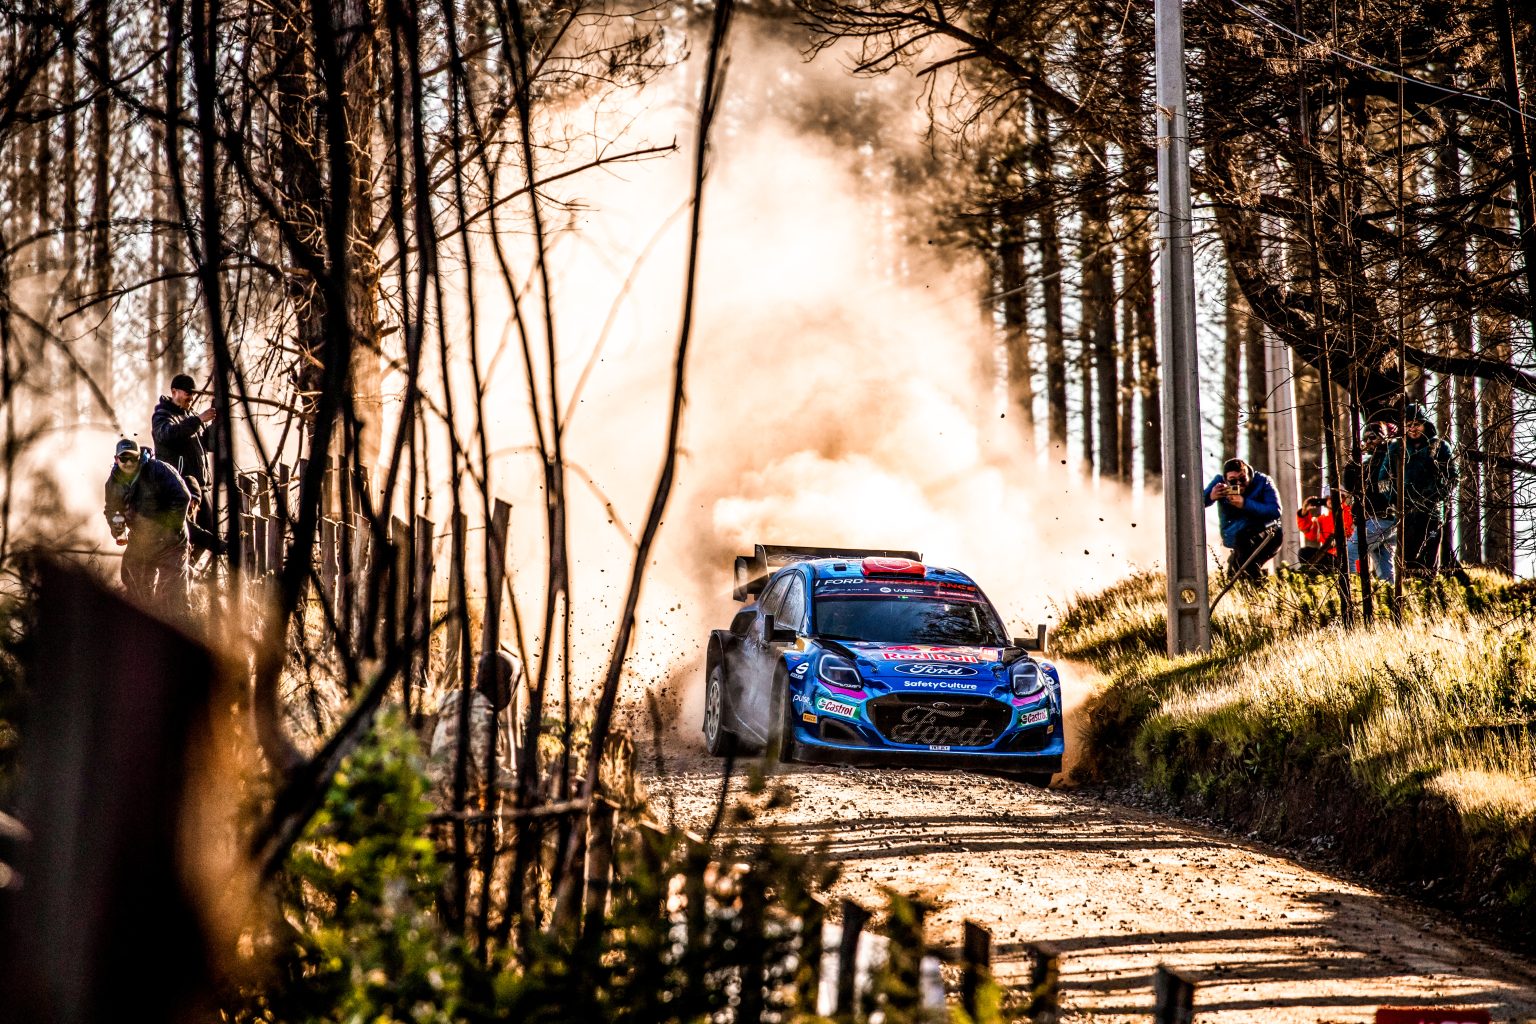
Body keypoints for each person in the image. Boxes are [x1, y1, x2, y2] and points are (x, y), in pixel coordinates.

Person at [103, 437, 192, 614]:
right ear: (116, 459)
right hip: (141, 541)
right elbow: (112, 510)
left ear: (139, 457)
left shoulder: (158, 470)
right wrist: (117, 527)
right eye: (124, 458)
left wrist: (168, 527)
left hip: (171, 543)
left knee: (172, 595)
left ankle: (182, 624)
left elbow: (183, 497)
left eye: (133, 458)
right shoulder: (113, 482)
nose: (128, 462)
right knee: (136, 591)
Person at [426, 648, 523, 807]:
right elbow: (488, 772)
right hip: (450, 804)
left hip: (432, 799)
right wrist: (524, 783)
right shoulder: (480, 712)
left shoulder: (459, 705)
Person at [1380, 406, 1458, 577]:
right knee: (1405, 558)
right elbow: (1382, 479)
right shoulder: (1396, 447)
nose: (1412, 429)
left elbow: (1453, 478)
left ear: (1425, 424)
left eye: (1416, 424)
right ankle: (1407, 588)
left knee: (1429, 557)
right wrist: (1394, 498)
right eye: (1408, 425)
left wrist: (1436, 495)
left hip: (1432, 512)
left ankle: (1429, 586)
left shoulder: (1440, 446)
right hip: (1405, 512)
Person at [1204, 457, 1283, 581]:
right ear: (1225, 480)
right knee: (1234, 576)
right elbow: (1198, 502)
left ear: (1249, 475)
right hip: (1237, 539)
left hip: (1267, 535)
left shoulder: (1263, 481)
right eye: (1233, 481)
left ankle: (1258, 583)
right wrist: (1210, 496)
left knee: (1245, 566)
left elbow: (1275, 511)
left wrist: (1245, 503)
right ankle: (1260, 584)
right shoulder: (1219, 483)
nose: (1239, 484)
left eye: (1242, 479)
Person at [1342, 422, 1397, 582]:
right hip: (1377, 520)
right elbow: (1350, 486)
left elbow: (1380, 486)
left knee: (1348, 553)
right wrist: (1354, 460)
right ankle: (1390, 594)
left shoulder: (1388, 458)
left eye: (1372, 437)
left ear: (1383, 437)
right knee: (1384, 567)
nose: (1368, 442)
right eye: (1365, 439)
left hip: (1379, 519)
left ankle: (1350, 590)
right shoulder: (1369, 461)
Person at [1297, 493, 1353, 569]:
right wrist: (1304, 511)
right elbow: (1309, 532)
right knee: (1303, 553)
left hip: (1348, 558)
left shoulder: (1350, 512)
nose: (1330, 501)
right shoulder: (1323, 519)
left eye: (1332, 498)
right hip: (1332, 559)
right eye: (1328, 498)